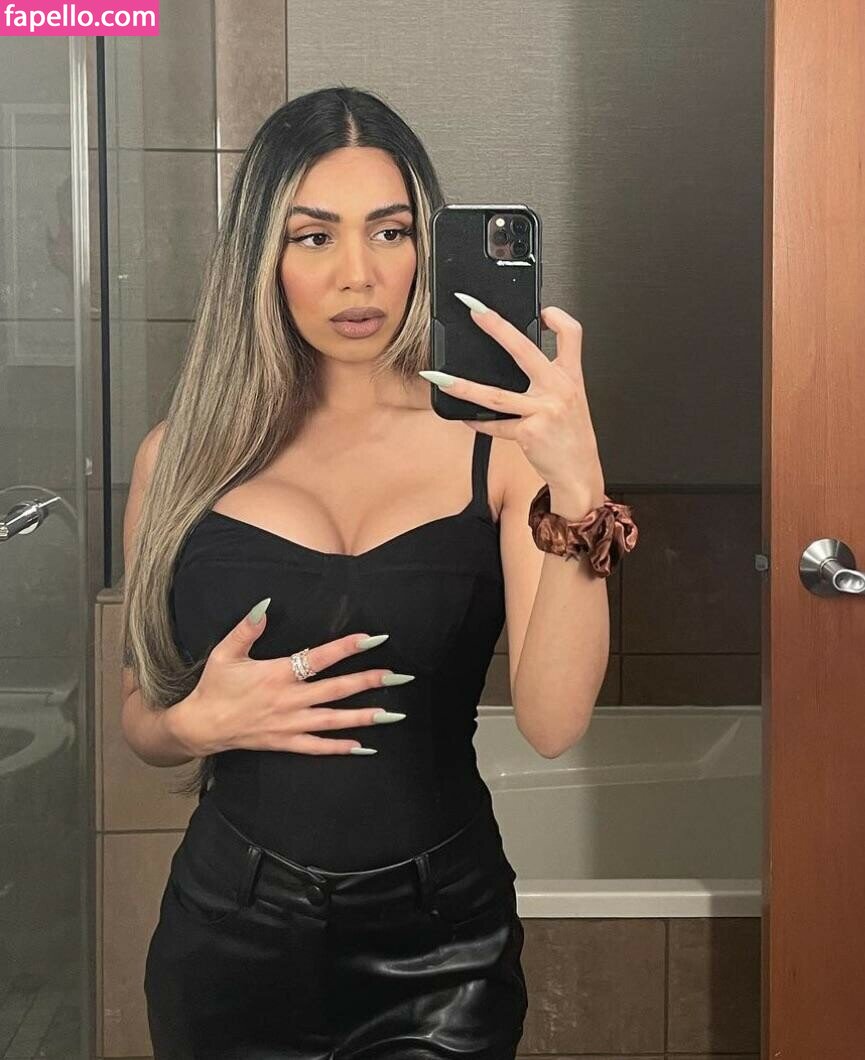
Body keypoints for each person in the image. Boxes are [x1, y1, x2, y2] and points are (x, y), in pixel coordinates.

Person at [121, 84, 626, 1059]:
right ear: (261, 254)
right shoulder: (176, 459)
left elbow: (554, 723)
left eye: (389, 232)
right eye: (314, 236)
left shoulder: (500, 452)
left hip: (442, 944)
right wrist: (189, 725)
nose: (357, 273)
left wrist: (578, 484)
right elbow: (141, 715)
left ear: (424, 246)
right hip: (227, 932)